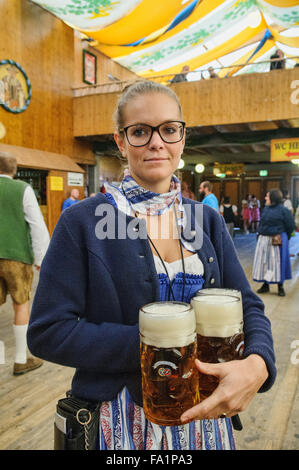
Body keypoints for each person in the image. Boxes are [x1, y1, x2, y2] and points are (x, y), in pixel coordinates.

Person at [27, 80, 275, 451]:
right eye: (140, 131)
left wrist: (259, 362)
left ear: (182, 138)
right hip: (121, 420)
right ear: (121, 141)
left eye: (169, 129)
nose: (156, 142)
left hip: (206, 419)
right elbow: (48, 331)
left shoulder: (204, 220)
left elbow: (248, 304)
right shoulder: (84, 221)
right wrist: (158, 347)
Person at [0, 152, 50, 375]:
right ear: (14, 170)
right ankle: (21, 359)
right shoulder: (22, 189)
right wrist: (42, 259)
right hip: (17, 257)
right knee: (21, 305)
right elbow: (37, 226)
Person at [252, 189, 295, 297]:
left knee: (277, 264)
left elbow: (290, 226)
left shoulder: (284, 210)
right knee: (265, 263)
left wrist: (284, 238)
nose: (265, 198)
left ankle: (280, 287)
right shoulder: (266, 209)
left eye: (267, 196)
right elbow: (261, 223)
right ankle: (266, 285)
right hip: (264, 240)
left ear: (273, 198)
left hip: (277, 240)